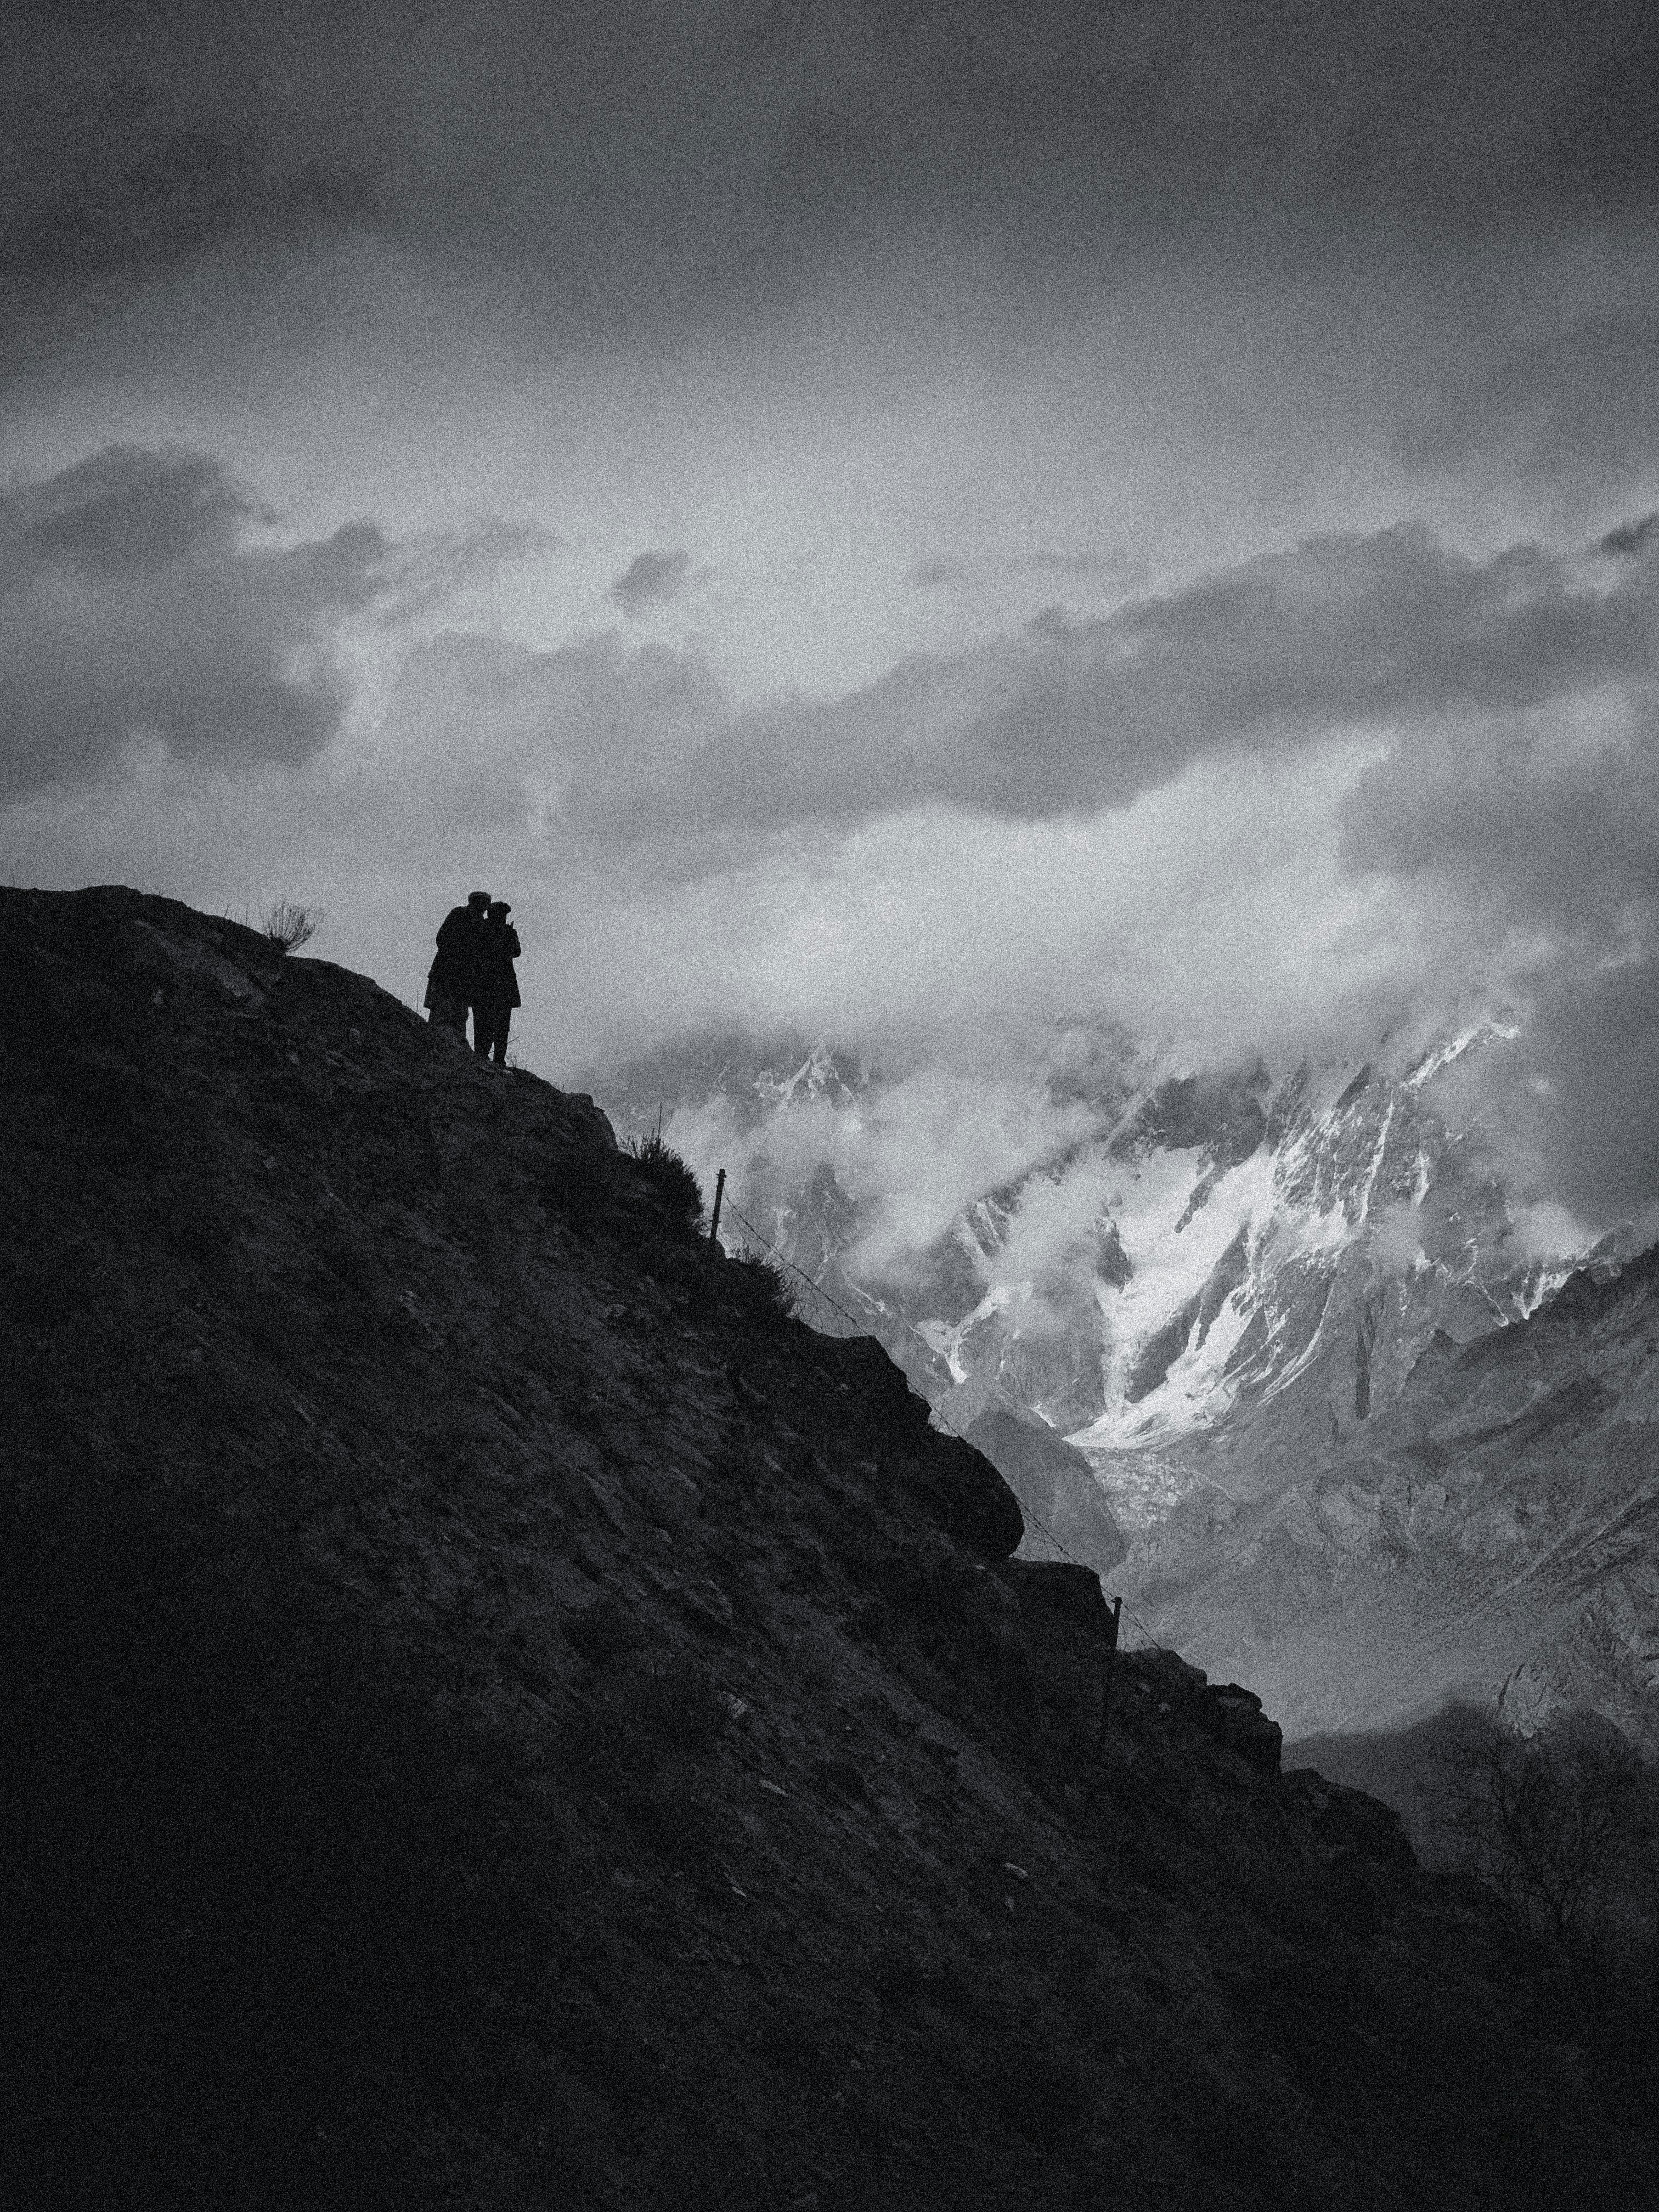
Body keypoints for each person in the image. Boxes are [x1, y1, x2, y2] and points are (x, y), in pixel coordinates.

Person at [424, 890, 489, 1035]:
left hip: (464, 977)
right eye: (484, 905)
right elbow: (442, 939)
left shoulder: (481, 924)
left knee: (459, 1016)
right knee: (442, 1013)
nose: (485, 910)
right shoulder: (459, 915)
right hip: (447, 972)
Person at [472, 900, 521, 1066]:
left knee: (484, 1022)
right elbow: (516, 951)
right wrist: (509, 934)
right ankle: (497, 1060)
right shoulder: (506, 932)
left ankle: (482, 1056)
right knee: (500, 1025)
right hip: (502, 985)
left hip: (484, 983)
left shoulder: (481, 928)